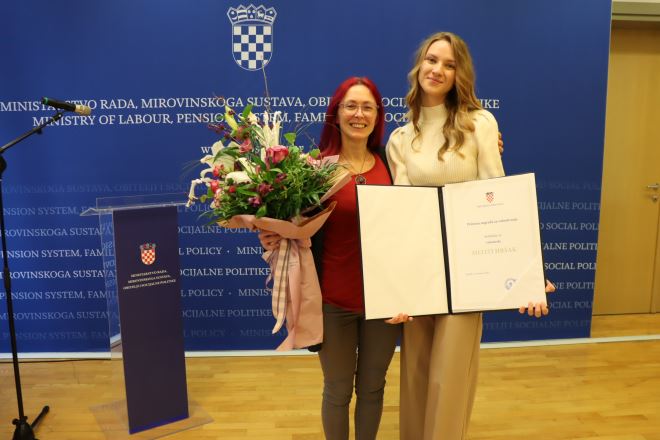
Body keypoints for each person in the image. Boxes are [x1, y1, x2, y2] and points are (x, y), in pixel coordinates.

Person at [385, 31, 553, 440]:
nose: (437, 70)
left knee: (450, 378)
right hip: (419, 270)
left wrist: (528, 273)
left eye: (449, 64)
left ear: (459, 74)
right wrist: (396, 284)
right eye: (432, 60)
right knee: (416, 374)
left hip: (468, 272)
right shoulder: (400, 138)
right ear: (419, 65)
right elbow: (401, 215)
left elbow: (499, 196)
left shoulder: (479, 123)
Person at [259, 76, 401, 440]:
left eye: (367, 107)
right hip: (332, 302)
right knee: (337, 391)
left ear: (378, 116)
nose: (359, 114)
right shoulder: (314, 170)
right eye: (350, 106)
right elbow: (291, 227)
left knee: (373, 387)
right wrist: (272, 233)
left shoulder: (392, 164)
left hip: (384, 302)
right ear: (335, 114)